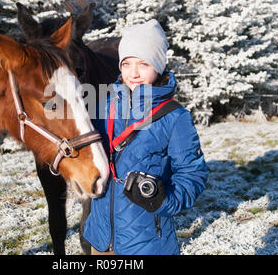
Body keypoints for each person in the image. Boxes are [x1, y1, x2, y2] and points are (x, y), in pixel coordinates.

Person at [83, 19, 210, 255]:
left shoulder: (175, 117)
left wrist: (164, 201)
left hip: (147, 244)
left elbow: (193, 174)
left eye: (144, 64)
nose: (134, 73)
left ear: (158, 66)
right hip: (99, 238)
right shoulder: (104, 105)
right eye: (127, 63)